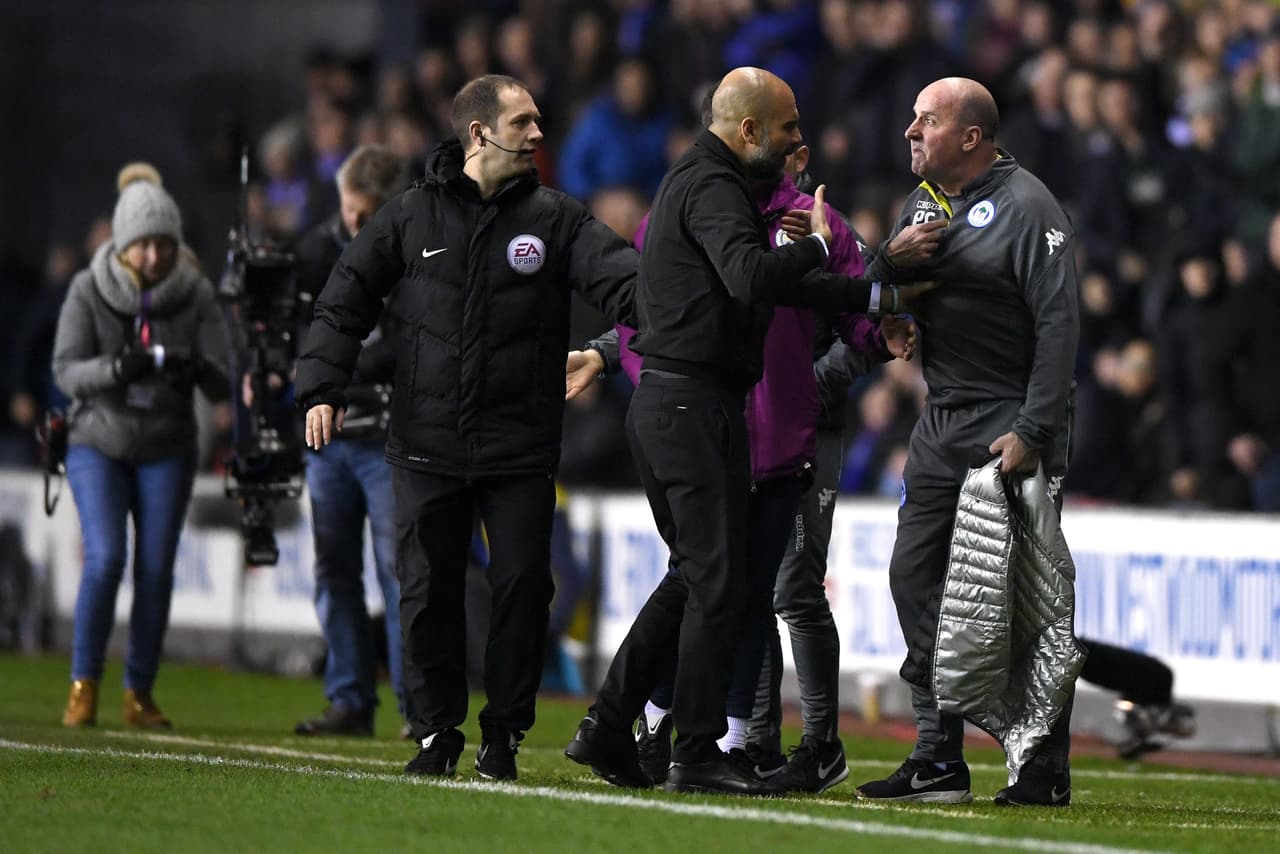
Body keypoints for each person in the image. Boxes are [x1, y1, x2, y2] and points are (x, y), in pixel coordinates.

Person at [564, 67, 922, 795]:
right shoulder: (717, 191)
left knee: (706, 579)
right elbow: (751, 278)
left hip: (697, 408)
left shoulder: (711, 190)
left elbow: (715, 289)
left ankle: (619, 726)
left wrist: (875, 295)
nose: (802, 143)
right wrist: (815, 250)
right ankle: (692, 745)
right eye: (789, 128)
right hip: (694, 407)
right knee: (722, 583)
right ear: (751, 131)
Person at [294, 74, 639, 782]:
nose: (540, 134)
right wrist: (320, 386)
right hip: (426, 443)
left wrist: (663, 313)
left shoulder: (557, 219)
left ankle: (503, 735)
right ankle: (435, 731)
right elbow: (344, 296)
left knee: (522, 590)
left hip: (519, 446)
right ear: (480, 134)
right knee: (426, 592)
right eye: (525, 122)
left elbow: (633, 285)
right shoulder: (409, 217)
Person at [850, 77, 1081, 807]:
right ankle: (938, 756)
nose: (911, 132)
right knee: (912, 577)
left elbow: (1059, 326)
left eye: (927, 121)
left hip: (1010, 421)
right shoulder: (920, 205)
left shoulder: (1029, 208)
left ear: (971, 137)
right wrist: (888, 272)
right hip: (942, 420)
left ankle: (1040, 766)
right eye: (913, 119)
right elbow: (886, 296)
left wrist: (1035, 429)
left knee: (1028, 602)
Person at [54, 163, 228, 729]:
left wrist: (198, 372)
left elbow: (224, 375)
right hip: (97, 442)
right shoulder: (87, 288)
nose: (154, 257)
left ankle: (140, 691)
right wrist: (115, 369)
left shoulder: (196, 293)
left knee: (156, 569)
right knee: (105, 559)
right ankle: (84, 684)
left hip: (166, 445)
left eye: (164, 245)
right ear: (123, 243)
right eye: (143, 245)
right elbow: (64, 371)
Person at [290, 144, 409, 737]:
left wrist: (337, 369)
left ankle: (419, 709)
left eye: (367, 213)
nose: (355, 224)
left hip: (388, 437)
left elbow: (412, 338)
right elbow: (296, 336)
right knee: (333, 568)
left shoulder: (414, 251)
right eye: (349, 210)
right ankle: (349, 700)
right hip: (330, 436)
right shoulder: (314, 251)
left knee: (399, 570)